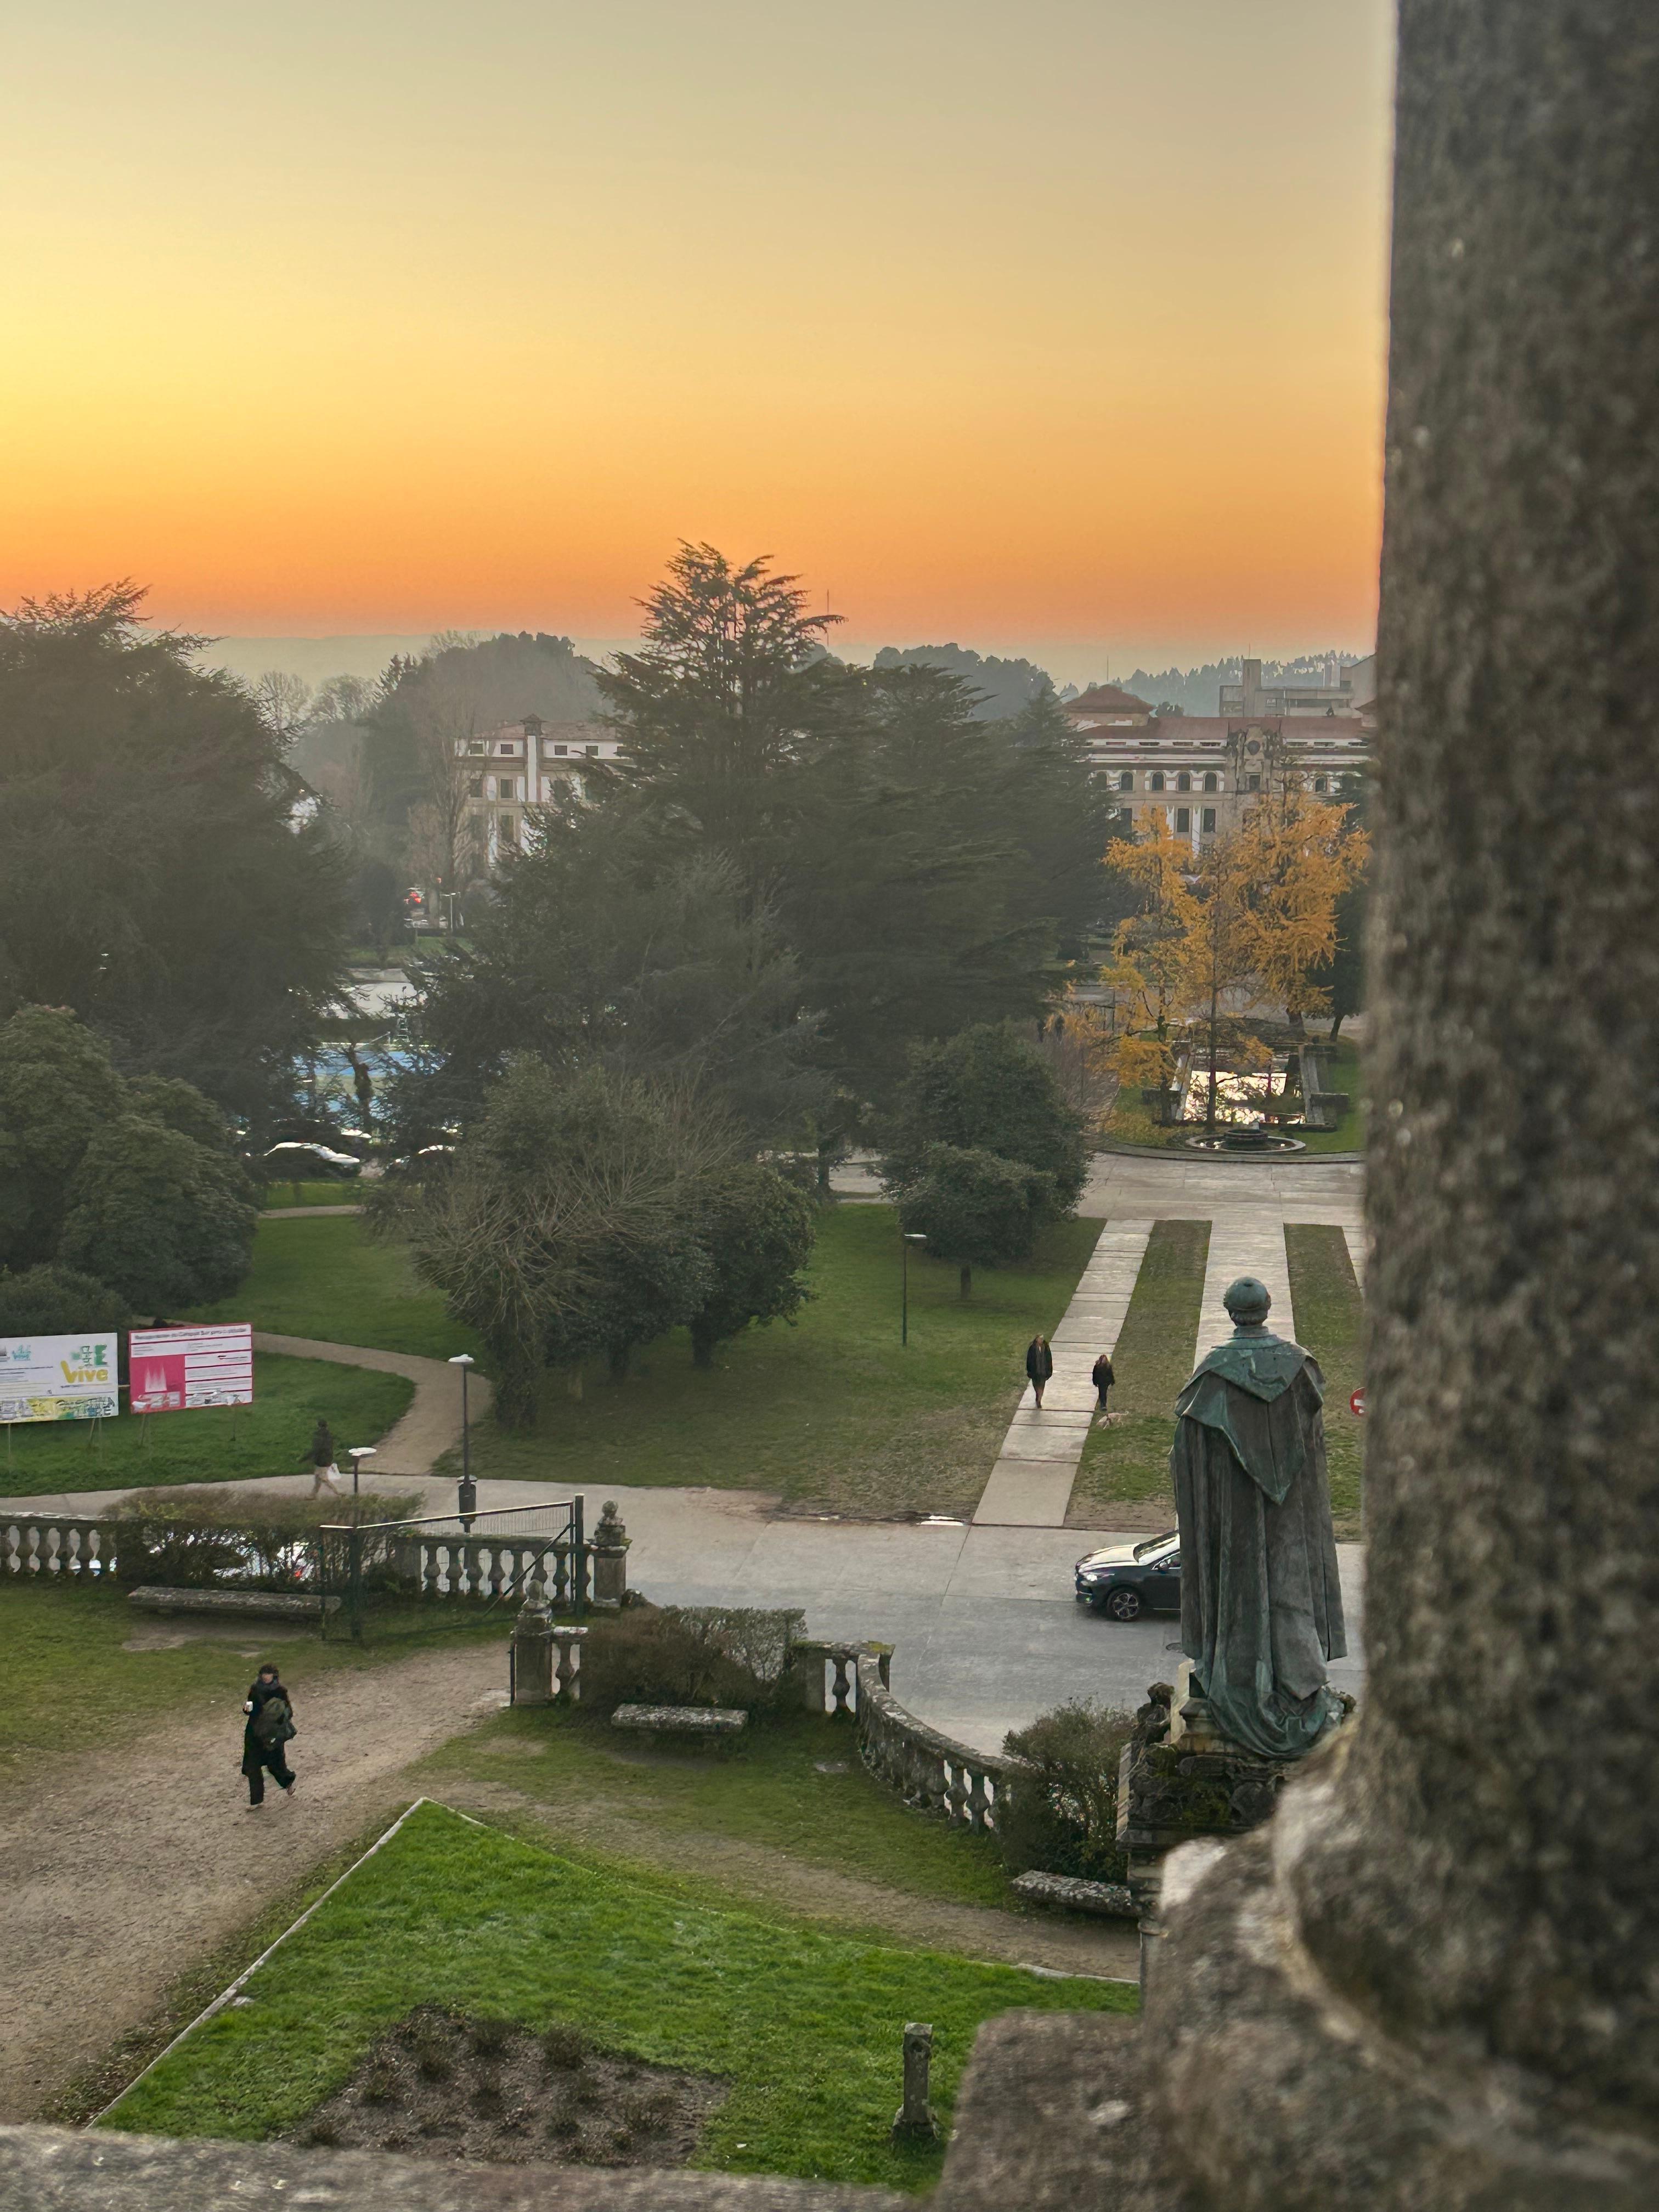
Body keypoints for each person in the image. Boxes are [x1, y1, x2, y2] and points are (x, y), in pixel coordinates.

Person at [1170, 1276, 1347, 1761]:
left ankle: (1243, 1674)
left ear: (1231, 1313)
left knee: (1241, 1588)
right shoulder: (1300, 1369)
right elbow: (1313, 1446)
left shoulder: (1215, 1374)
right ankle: (1297, 1678)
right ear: (1267, 1309)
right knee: (1291, 1589)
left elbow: (1189, 1454)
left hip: (1235, 1514)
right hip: (1289, 1513)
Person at [241, 1663, 297, 1808]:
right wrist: (247, 1709)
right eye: (264, 1674)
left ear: (274, 1675)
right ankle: (256, 1801)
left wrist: (279, 1717)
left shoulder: (280, 1691)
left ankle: (288, 1782)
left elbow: (289, 1712)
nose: (266, 1677)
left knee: (275, 1765)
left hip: (273, 1734)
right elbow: (250, 1707)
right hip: (255, 1733)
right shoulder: (255, 1689)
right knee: (252, 1766)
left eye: (269, 1674)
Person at [302, 1418, 343, 1498]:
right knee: (318, 1478)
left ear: (319, 1426)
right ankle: (313, 1495)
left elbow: (316, 1449)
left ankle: (338, 1493)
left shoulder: (318, 1436)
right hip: (327, 1460)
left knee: (323, 1478)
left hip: (320, 1461)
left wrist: (305, 1458)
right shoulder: (329, 1436)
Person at [1025, 1332, 1054, 1408]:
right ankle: (1038, 1396)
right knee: (1036, 1386)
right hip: (1035, 1372)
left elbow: (1049, 1359)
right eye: (1040, 1339)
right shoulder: (1032, 1348)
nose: (1041, 1340)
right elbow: (1029, 1360)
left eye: (1042, 1339)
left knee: (1042, 1386)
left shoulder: (1046, 1347)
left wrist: (1049, 1370)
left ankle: (1039, 1401)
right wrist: (1029, 1371)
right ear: (1037, 1339)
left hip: (1043, 1371)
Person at [1092, 1349, 1115, 1415]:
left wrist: (1112, 1381)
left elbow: (1111, 1374)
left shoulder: (1108, 1366)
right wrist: (1095, 1382)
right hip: (1100, 1382)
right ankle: (1102, 1404)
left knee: (1104, 1392)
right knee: (1101, 1392)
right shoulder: (1097, 1366)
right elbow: (1094, 1374)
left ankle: (1103, 1405)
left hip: (1106, 1382)